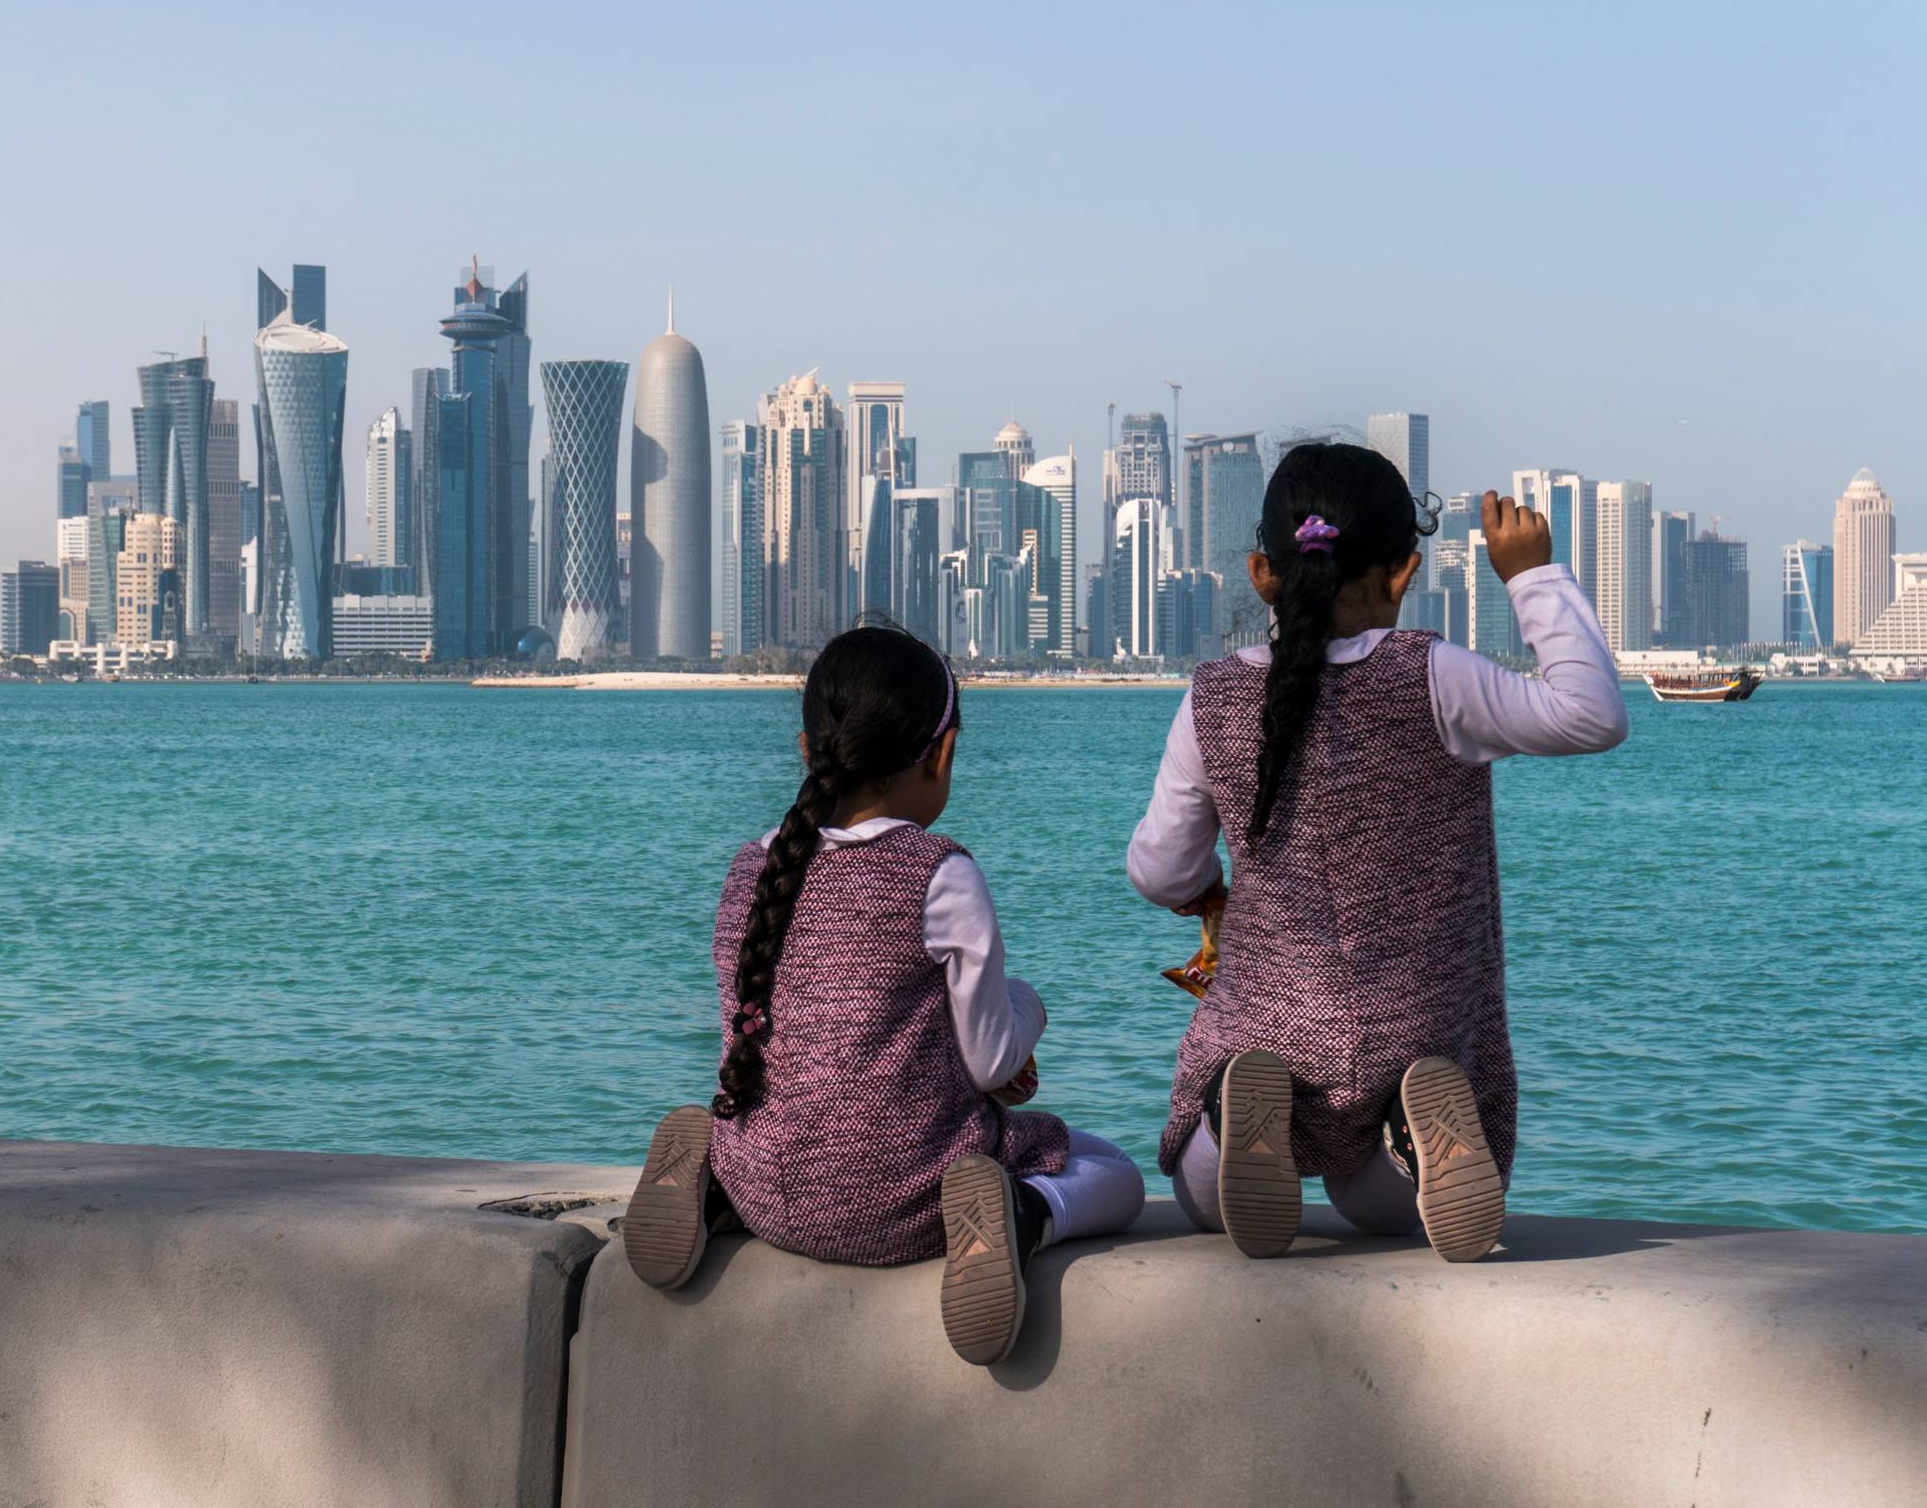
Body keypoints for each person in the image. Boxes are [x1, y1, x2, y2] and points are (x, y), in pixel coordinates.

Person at [1128, 444, 1627, 1261]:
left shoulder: (1215, 695)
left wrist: (1205, 889)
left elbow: (1159, 870)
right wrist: (1532, 576)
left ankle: (1234, 1110)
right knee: (1386, 1214)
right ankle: (1407, 1135)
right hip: (1421, 1039)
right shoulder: (1433, 675)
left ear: (1263, 572)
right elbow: (1592, 714)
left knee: (1201, 1197)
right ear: (1403, 573)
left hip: (1266, 1032)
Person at [625, 624, 1145, 1366]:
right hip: (905, 1201)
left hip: (775, 1194)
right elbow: (994, 1060)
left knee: (766, 1142)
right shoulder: (939, 872)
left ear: (807, 750)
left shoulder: (750, 868)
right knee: (1114, 1175)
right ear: (943, 753)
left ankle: (716, 1190)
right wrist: (1030, 1006)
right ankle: (1022, 1217)